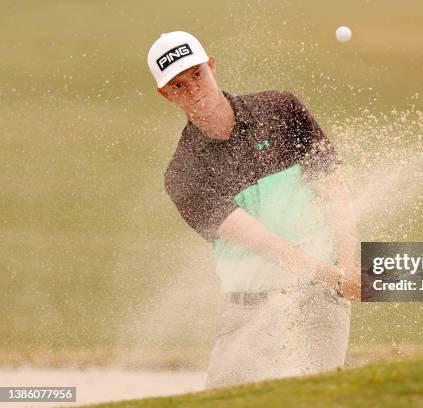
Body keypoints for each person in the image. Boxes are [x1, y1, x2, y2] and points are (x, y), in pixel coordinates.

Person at [147, 31, 360, 388]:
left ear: (212, 66)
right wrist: (336, 277)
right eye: (179, 85)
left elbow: (333, 189)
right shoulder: (183, 175)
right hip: (249, 311)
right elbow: (263, 243)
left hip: (322, 297)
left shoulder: (281, 109)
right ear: (166, 94)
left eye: (197, 74)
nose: (194, 89)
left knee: (321, 397)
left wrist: (349, 265)